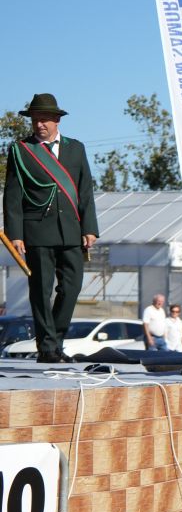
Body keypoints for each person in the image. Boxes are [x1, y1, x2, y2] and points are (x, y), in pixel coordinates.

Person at [3, 93, 98, 363]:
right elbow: (12, 195)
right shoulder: (21, 150)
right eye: (35, 119)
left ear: (57, 120)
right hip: (36, 231)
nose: (39, 124)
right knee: (41, 290)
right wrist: (16, 235)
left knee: (72, 287)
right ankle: (48, 349)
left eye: (44, 119)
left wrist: (89, 227)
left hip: (71, 229)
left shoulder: (76, 148)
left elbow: (85, 190)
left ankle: (54, 340)